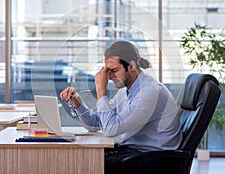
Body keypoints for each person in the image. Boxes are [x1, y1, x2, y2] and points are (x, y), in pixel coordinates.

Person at [60, 41, 182, 173]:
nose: (110, 77)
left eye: (114, 70)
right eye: (107, 71)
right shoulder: (126, 92)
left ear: (131, 66)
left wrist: (101, 90)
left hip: (153, 160)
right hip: (134, 152)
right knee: (81, 157)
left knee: (90, 163)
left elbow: (110, 130)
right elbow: (97, 123)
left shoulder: (149, 92)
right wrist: (78, 102)